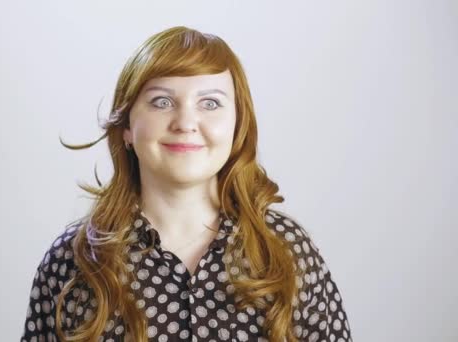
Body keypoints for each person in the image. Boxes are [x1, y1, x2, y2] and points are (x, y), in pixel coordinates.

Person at [20, 26, 352, 342]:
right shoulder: (73, 260)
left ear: (238, 126)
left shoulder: (287, 251)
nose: (185, 123)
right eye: (162, 102)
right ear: (126, 126)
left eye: (210, 103)